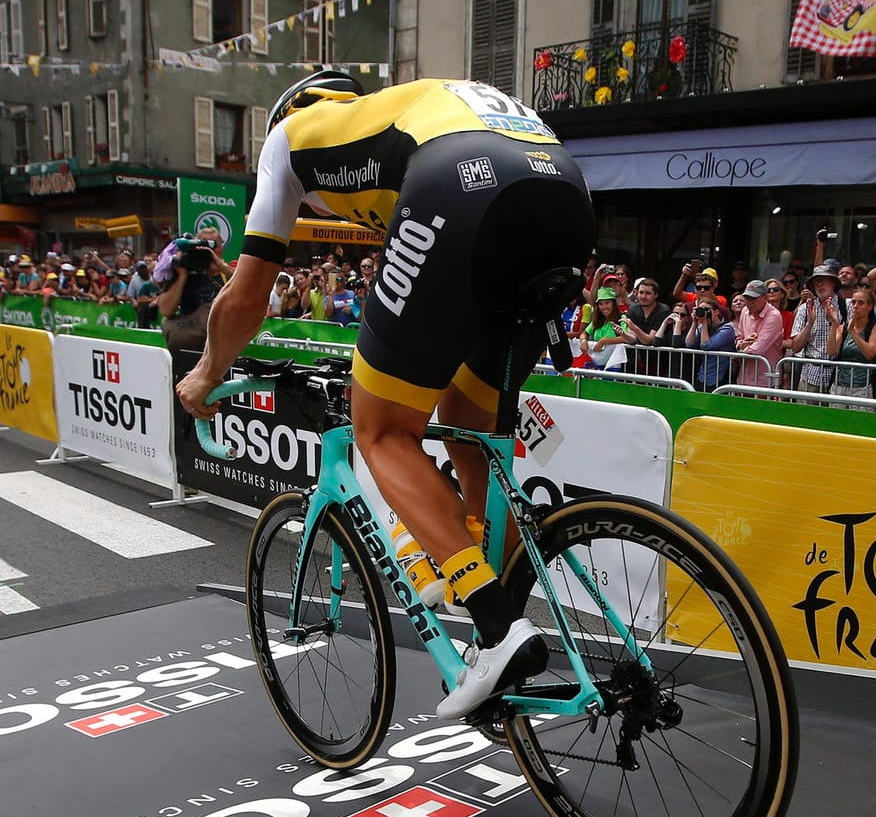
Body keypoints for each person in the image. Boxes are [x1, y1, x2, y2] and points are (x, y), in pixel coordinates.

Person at [174, 73, 595, 721]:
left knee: (381, 428)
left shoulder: (290, 136)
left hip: (462, 184)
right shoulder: (390, 114)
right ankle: (507, 621)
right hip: (563, 195)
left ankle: (497, 627)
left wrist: (207, 370)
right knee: (466, 424)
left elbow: (251, 290)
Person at [786, 265, 843, 393]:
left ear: (833, 282)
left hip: (839, 378)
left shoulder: (848, 306)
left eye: (823, 279)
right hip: (810, 376)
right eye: (816, 281)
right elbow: (795, 347)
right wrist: (810, 324)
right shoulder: (805, 309)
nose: (819, 284)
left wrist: (834, 322)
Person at [827, 285, 876, 400]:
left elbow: (870, 353)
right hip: (839, 386)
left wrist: (852, 332)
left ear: (870, 307)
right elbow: (831, 351)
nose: (855, 306)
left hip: (863, 388)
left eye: (861, 303)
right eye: (853, 302)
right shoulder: (843, 328)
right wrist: (834, 324)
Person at [732, 279, 784, 388]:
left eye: (753, 299)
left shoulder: (774, 315)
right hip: (743, 379)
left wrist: (740, 351)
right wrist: (740, 345)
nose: (749, 302)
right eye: (747, 298)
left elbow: (758, 349)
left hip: (765, 381)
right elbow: (739, 338)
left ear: (765, 298)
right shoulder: (744, 311)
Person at [582, 286, 627, 370]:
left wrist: (604, 341)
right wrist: (583, 341)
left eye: (607, 303)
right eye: (600, 304)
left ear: (613, 304)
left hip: (614, 367)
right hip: (596, 367)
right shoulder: (597, 320)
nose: (604, 307)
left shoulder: (622, 318)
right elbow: (584, 333)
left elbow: (626, 338)